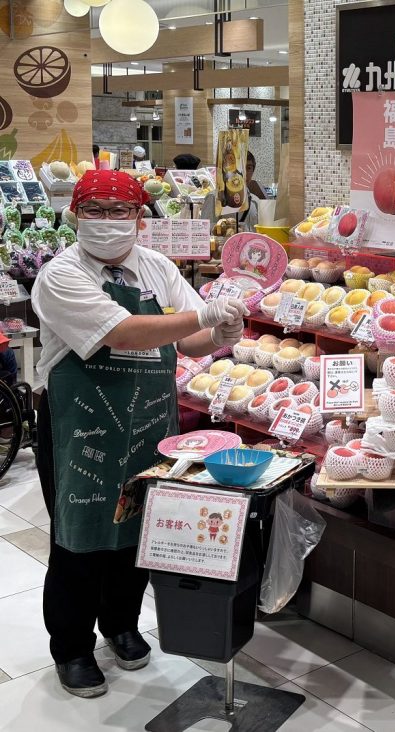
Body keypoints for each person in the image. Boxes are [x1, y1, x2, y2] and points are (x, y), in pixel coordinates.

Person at [31, 169, 248, 699]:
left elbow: (189, 342)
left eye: (120, 210)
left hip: (148, 418)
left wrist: (220, 333)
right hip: (79, 420)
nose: (107, 221)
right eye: (95, 210)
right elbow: (120, 332)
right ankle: (72, 648)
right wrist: (202, 314)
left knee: (138, 528)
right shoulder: (61, 274)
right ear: (75, 216)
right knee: (80, 537)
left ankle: (121, 625)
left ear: (139, 218)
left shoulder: (157, 267)